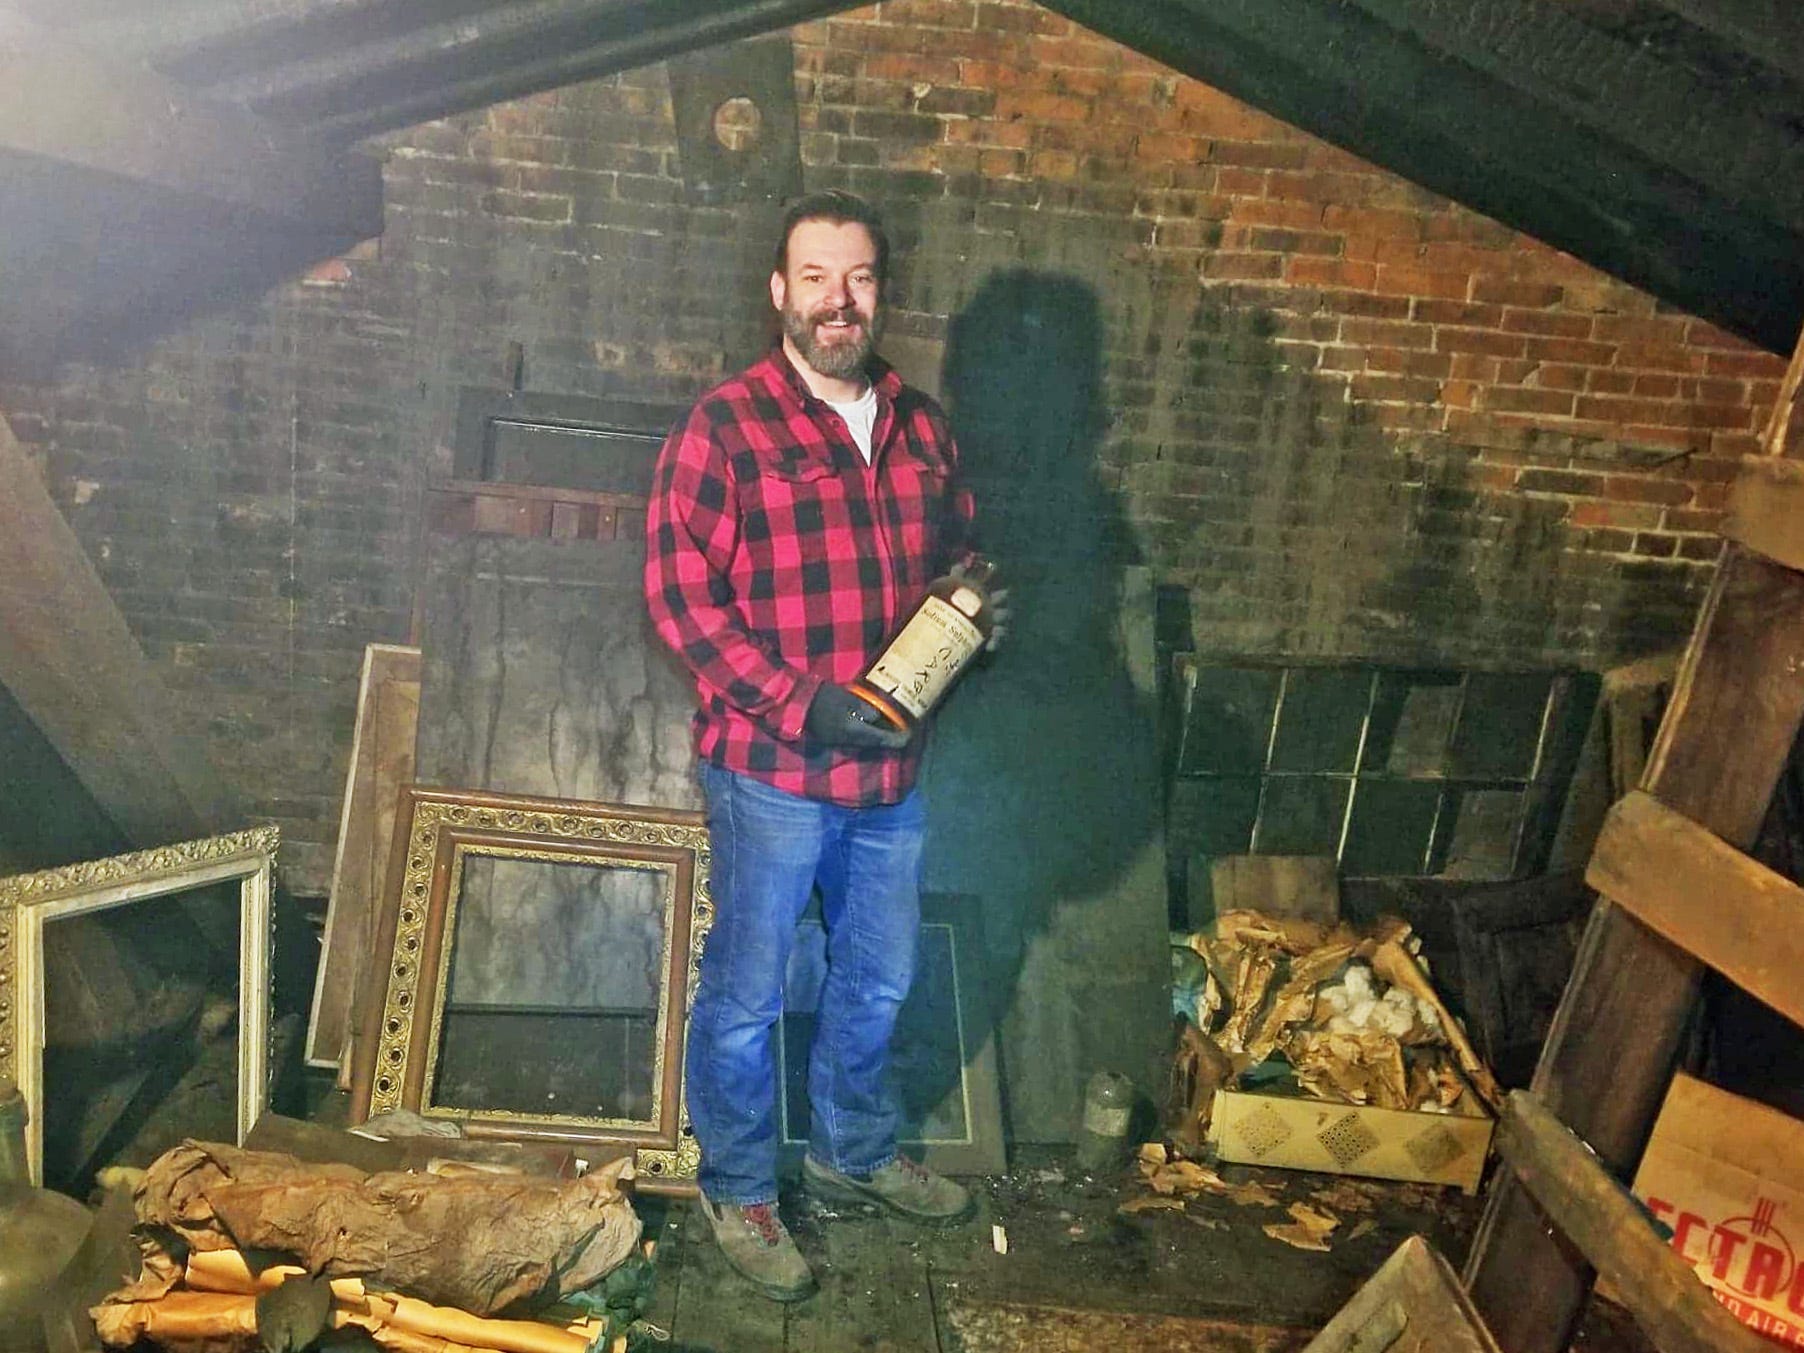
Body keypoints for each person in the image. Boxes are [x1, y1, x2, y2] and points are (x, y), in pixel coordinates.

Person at [643, 190, 1003, 1302]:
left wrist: (977, 624)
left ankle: (852, 1147)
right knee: (748, 994)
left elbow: (963, 558)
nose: (836, 301)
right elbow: (680, 600)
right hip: (773, 775)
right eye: (814, 277)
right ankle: (741, 1186)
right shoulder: (726, 426)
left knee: (879, 978)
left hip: (891, 776)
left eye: (856, 279)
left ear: (879, 292)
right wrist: (801, 705)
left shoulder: (922, 422)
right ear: (778, 292)